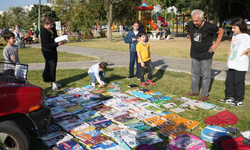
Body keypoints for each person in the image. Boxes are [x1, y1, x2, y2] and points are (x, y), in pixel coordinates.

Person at [185, 9, 224, 101]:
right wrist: (192, 43)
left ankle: (204, 94)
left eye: (197, 21)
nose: (194, 23)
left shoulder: (209, 26)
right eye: (193, 20)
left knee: (206, 75)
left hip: (206, 54)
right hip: (194, 53)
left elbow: (221, 31)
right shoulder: (190, 24)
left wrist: (216, 44)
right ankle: (194, 91)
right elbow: (189, 32)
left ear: (202, 19)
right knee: (194, 74)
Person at [219, 17, 250, 106]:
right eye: (232, 27)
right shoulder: (235, 35)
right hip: (232, 63)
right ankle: (229, 97)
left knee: (238, 82)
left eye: (234, 28)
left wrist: (246, 51)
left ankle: (239, 100)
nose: (232, 30)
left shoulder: (246, 36)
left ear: (241, 26)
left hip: (240, 64)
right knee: (229, 81)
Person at [40, 14, 65, 90]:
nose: (51, 26)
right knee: (51, 66)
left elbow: (55, 38)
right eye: (50, 25)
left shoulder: (53, 29)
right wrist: (57, 44)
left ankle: (52, 80)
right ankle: (53, 82)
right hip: (47, 51)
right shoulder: (43, 32)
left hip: (53, 50)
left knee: (54, 66)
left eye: (52, 25)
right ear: (45, 24)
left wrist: (61, 39)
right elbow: (46, 44)